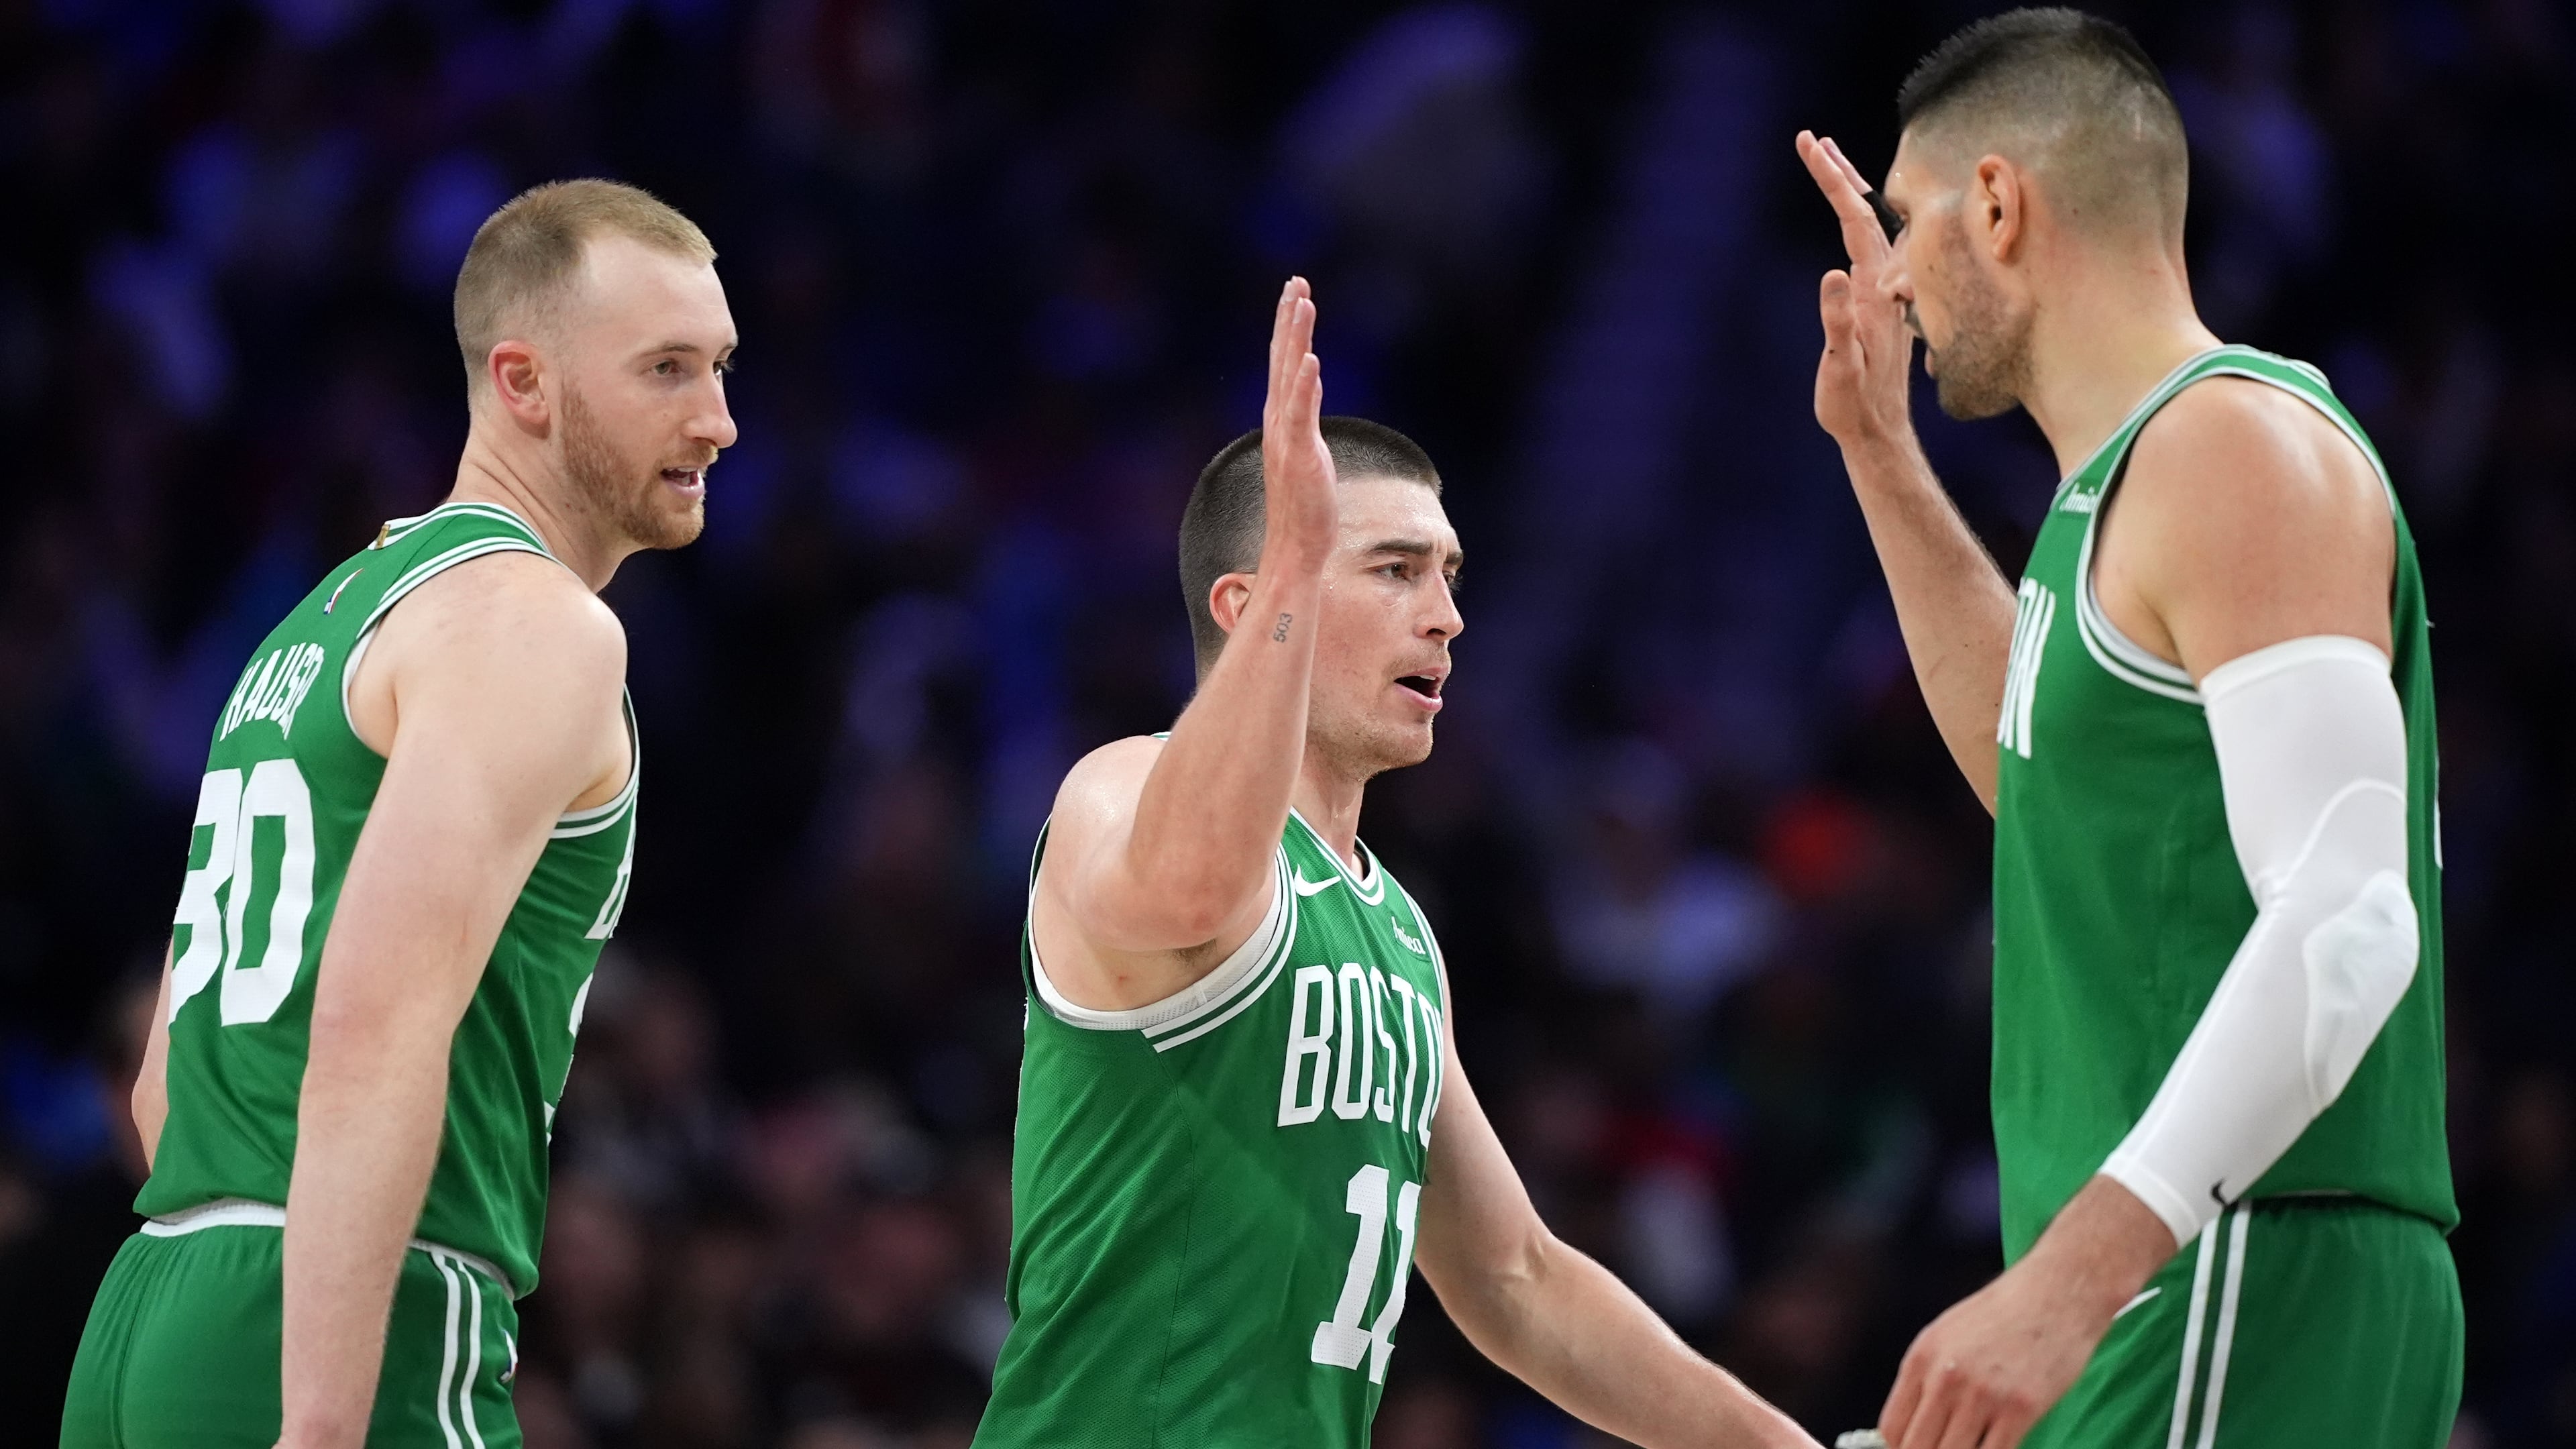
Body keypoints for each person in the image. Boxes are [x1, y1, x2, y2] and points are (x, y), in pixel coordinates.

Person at [972, 278, 1817, 1449]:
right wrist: (1296, 559)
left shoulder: (1401, 931)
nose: (1447, 616)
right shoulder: (1115, 788)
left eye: (1451, 575)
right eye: (1393, 570)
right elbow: (1191, 893)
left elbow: (1518, 1279)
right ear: (1247, 597)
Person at [1796, 9, 2456, 1449]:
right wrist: (1881, 457)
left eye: (1908, 222)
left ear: (1996, 203)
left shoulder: (2233, 444)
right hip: (2189, 1258)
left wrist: (2075, 1278)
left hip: (2241, 1256)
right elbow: (2042, 779)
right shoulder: (2120, 493)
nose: (1893, 278)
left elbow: (2352, 918)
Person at [59, 178, 738, 1449]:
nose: (720, 419)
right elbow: (372, 1026)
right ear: (523, 382)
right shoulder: (537, 625)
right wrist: (320, 1416)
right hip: (348, 1320)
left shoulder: (325, 618)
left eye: (719, 366)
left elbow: (163, 1082)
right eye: (666, 369)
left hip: (156, 1300)